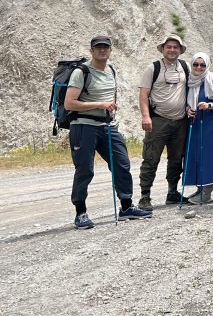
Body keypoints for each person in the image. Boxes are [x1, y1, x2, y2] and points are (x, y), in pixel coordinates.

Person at [64, 36, 152, 228]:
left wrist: (109, 107)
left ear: (111, 50)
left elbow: (110, 96)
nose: (102, 50)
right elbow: (69, 103)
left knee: (122, 163)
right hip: (83, 126)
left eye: (105, 47)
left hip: (107, 126)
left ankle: (126, 207)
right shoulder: (81, 72)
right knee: (85, 169)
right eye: (98, 47)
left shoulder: (111, 70)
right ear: (91, 50)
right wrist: (100, 104)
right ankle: (80, 213)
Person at [137, 35, 191, 209]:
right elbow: (143, 94)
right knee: (151, 158)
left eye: (176, 47)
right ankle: (145, 196)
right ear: (162, 49)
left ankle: (172, 192)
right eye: (169, 47)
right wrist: (146, 116)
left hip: (180, 121)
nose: (172, 50)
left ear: (180, 50)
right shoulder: (152, 68)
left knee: (177, 158)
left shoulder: (185, 67)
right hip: (158, 120)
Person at [182, 52, 213, 204]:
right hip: (196, 124)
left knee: (209, 158)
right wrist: (187, 110)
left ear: (207, 65)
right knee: (197, 156)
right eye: (196, 64)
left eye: (202, 65)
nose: (199, 67)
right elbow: (184, 101)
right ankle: (200, 189)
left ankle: (207, 192)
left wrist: (210, 105)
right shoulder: (189, 81)